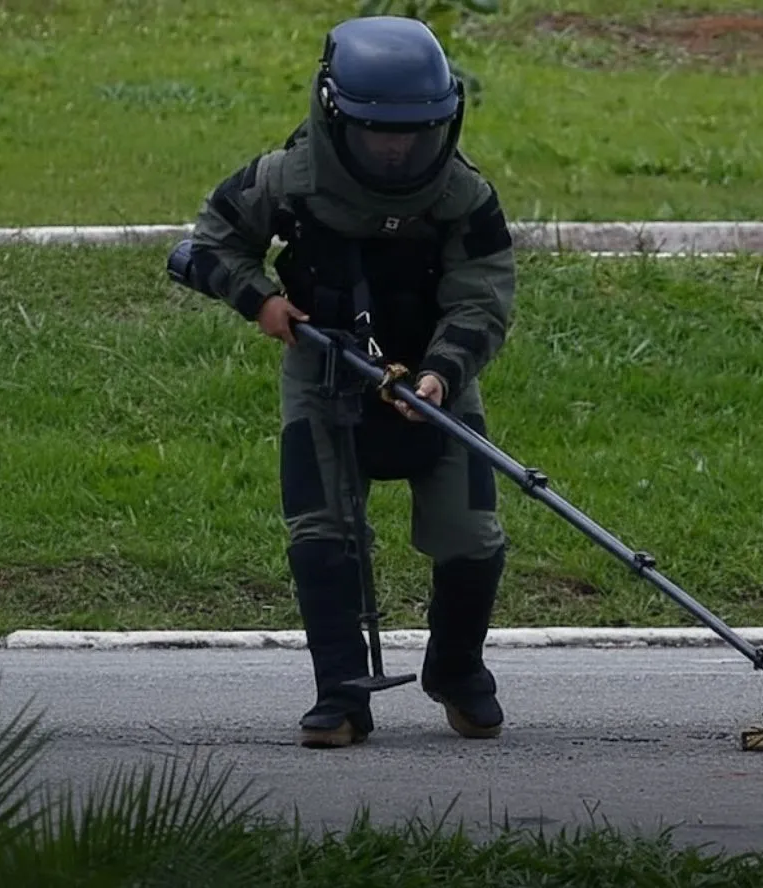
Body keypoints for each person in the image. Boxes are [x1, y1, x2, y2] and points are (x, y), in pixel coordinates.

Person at [187, 14, 516, 748]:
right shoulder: (284, 180)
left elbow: (483, 295)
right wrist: (261, 302)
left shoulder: (464, 196)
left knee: (472, 536)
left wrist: (440, 373)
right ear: (337, 118)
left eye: (413, 134)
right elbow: (211, 241)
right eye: (378, 135)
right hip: (323, 377)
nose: (397, 151)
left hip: (435, 386)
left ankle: (456, 670)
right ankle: (340, 693)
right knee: (321, 533)